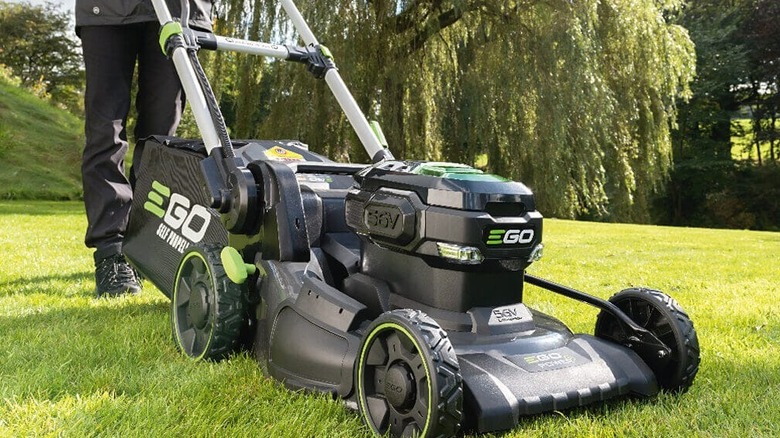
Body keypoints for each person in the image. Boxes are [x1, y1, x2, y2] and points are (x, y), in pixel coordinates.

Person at [76, 0, 213, 297]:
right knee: (105, 131)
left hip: (179, 12)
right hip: (106, 12)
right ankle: (110, 251)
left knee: (160, 141)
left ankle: (141, 245)